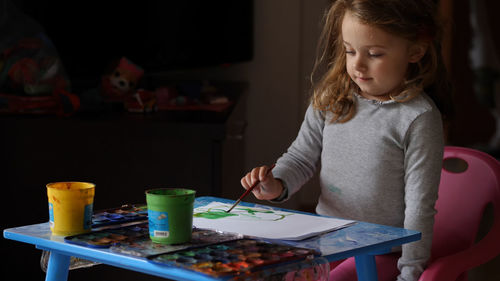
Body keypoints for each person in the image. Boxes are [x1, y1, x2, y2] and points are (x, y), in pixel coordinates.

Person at [240, 0, 452, 280]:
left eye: (375, 54)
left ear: (415, 51)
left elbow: (419, 206)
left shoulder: (418, 118)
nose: (358, 65)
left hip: (382, 251)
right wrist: (275, 185)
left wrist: (410, 273)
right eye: (349, 51)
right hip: (326, 241)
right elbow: (300, 158)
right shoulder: (331, 99)